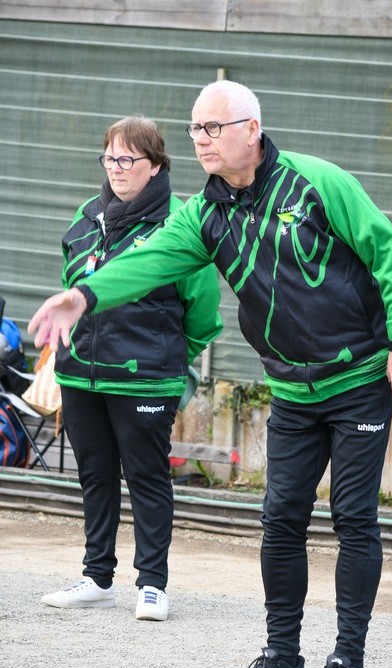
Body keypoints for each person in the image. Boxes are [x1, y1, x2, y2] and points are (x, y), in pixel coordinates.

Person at [29, 82, 392, 668]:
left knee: (353, 518)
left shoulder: (317, 182)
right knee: (281, 520)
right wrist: (84, 295)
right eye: (195, 129)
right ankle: (282, 663)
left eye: (214, 127)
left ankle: (348, 667)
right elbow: (154, 258)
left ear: (252, 129)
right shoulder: (205, 213)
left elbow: (389, 255)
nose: (202, 140)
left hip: (358, 380)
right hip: (291, 388)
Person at [39, 115, 223, 622]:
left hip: (146, 379)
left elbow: (203, 313)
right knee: (95, 476)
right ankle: (97, 578)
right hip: (80, 374)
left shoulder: (180, 221)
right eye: (109, 158)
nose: (116, 168)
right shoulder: (86, 215)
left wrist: (167, 355)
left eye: (128, 158)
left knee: (147, 477)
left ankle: (152, 585)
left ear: (156, 164)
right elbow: (71, 288)